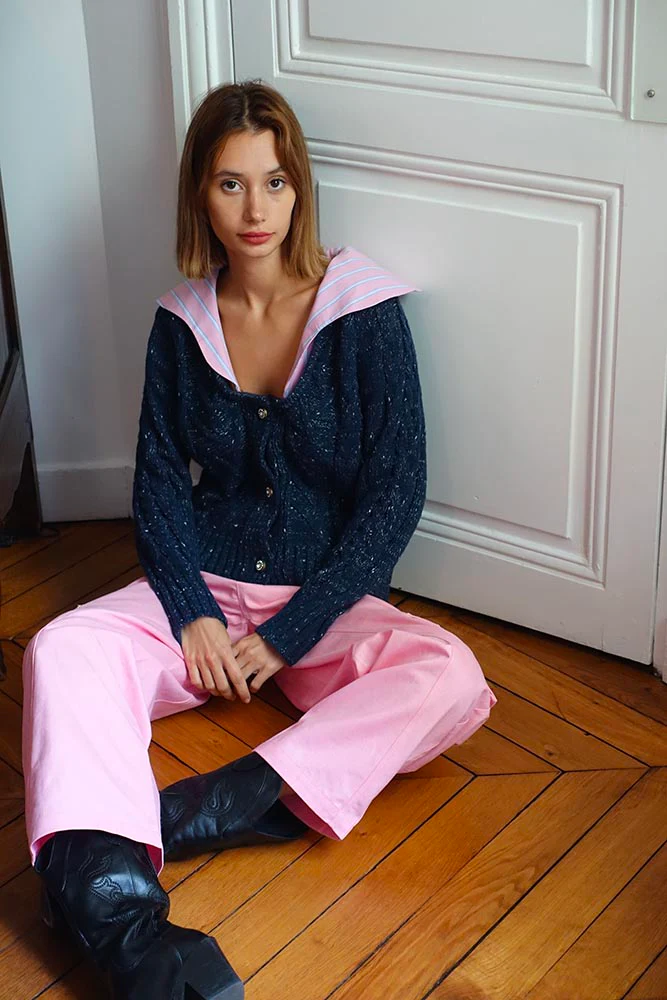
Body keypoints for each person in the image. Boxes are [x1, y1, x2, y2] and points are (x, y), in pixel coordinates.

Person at [21, 81, 496, 999]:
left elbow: (394, 498)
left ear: (299, 187)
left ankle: (165, 818)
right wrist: (192, 611)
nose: (255, 210)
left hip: (321, 605)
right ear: (199, 194)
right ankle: (138, 945)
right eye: (230, 183)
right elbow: (159, 482)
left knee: (449, 676)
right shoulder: (181, 322)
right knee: (64, 648)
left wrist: (289, 634)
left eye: (274, 182)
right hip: (203, 586)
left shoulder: (363, 313)